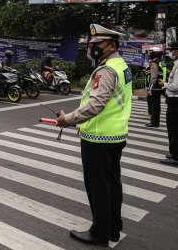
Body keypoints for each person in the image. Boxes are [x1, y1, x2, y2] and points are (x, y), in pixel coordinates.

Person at [56, 24, 130, 247]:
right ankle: (113, 228)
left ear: (112, 46)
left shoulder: (106, 70)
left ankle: (99, 233)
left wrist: (67, 120)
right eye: (93, 44)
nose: (94, 47)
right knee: (112, 184)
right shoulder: (121, 65)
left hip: (99, 139)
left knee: (98, 187)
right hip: (115, 134)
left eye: (99, 44)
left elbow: (96, 104)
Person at [145, 47, 166, 128]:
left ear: (156, 54)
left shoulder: (154, 63)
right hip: (160, 86)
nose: (150, 54)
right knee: (156, 105)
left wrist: (150, 88)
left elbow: (153, 77)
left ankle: (154, 122)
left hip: (154, 87)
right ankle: (155, 121)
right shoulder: (161, 62)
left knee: (154, 106)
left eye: (151, 53)